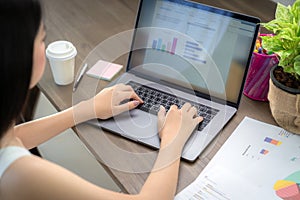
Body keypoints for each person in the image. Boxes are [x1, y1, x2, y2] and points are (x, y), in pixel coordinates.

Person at [0, 0, 203, 199]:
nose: (45, 47)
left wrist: (86, 109)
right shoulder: (22, 174)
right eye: (42, 38)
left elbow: (15, 136)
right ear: (18, 55)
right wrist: (173, 140)